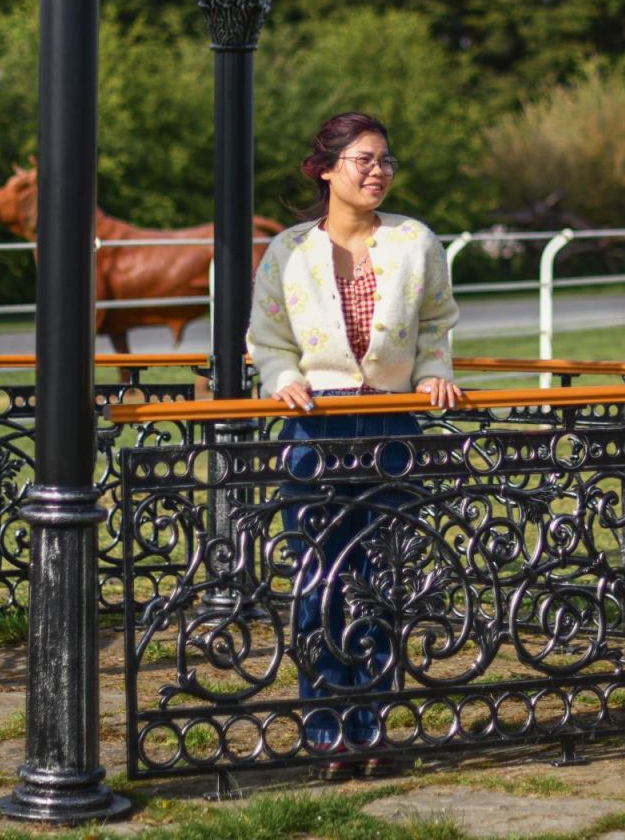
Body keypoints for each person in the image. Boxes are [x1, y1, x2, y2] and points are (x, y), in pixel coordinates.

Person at [246, 111, 461, 778]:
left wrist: (434, 372)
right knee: (319, 579)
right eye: (364, 160)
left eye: (386, 160)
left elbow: (437, 323)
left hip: (395, 425)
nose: (378, 171)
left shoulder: (415, 241)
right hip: (317, 429)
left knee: (379, 581)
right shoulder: (289, 251)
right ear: (325, 169)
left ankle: (369, 728)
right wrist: (282, 378)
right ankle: (328, 729)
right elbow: (269, 337)